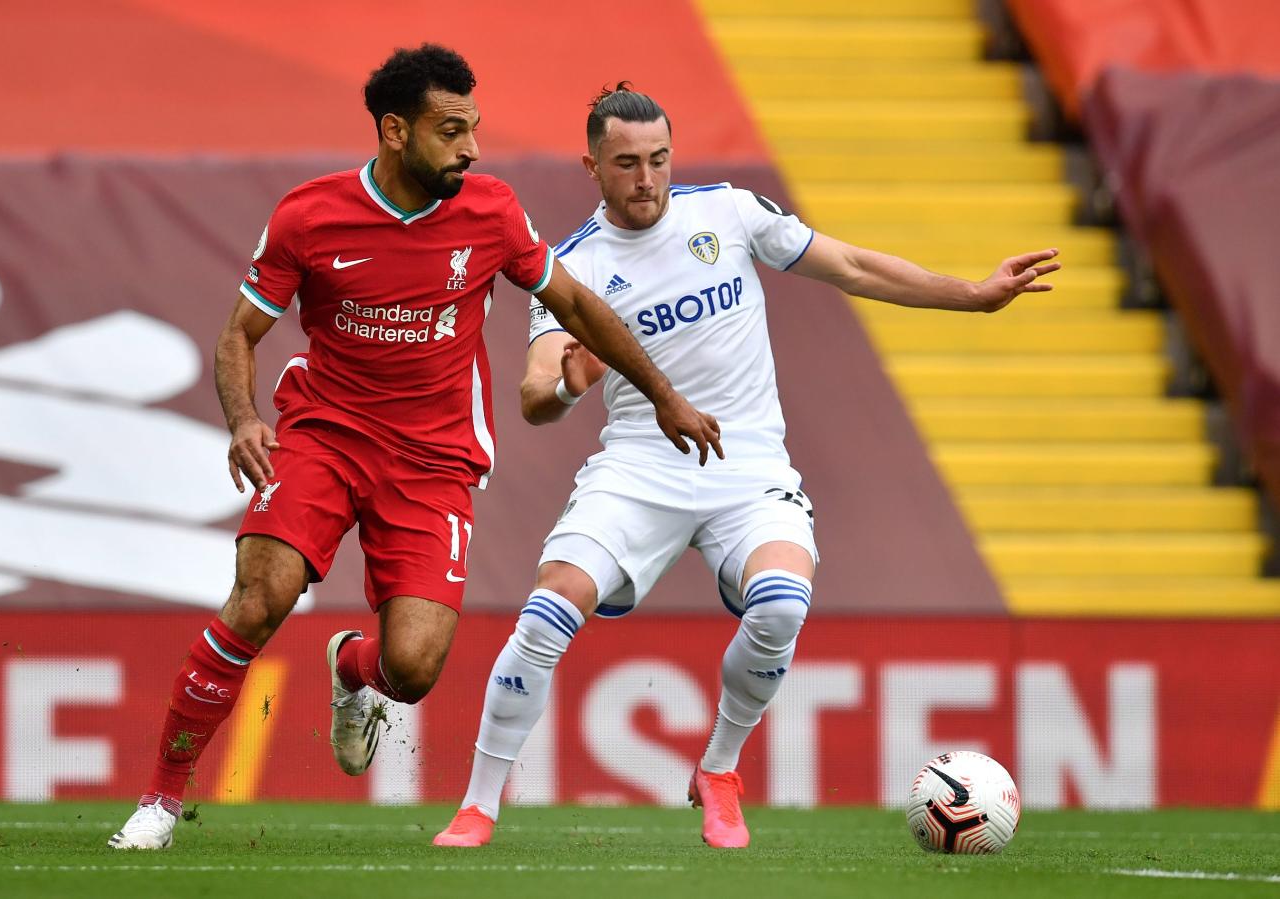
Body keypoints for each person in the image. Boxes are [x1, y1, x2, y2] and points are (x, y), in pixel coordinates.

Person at [108, 51, 722, 850]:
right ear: (396, 131)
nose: (472, 149)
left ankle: (351, 669)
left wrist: (664, 393)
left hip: (433, 461)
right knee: (259, 598)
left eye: (474, 128)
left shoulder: (491, 213)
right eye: (451, 131)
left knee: (414, 667)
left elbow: (575, 303)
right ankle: (159, 800)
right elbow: (238, 334)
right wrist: (244, 419)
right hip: (324, 434)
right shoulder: (309, 216)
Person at [431, 84, 1059, 849]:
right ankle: (479, 803)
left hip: (748, 463)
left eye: (659, 159)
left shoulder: (729, 212)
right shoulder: (571, 265)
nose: (646, 179)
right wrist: (567, 384)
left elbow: (851, 264)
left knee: (782, 604)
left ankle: (719, 769)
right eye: (626, 164)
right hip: (639, 467)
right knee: (550, 605)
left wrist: (973, 295)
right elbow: (534, 395)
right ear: (592, 166)